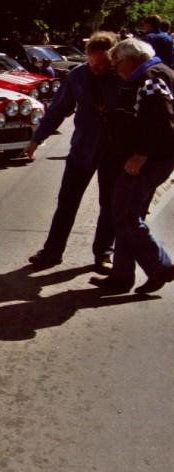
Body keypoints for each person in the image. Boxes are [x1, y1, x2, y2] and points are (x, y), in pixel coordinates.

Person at [22, 32, 121, 273]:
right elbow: (58, 109)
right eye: (92, 62)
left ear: (113, 60)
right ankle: (53, 251)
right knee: (66, 203)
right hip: (82, 150)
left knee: (110, 205)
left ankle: (104, 253)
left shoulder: (123, 77)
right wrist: (37, 139)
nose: (96, 68)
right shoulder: (77, 76)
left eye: (102, 64)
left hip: (114, 152)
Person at [90, 38, 174, 293]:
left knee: (126, 216)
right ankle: (121, 276)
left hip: (149, 160)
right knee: (126, 216)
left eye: (117, 64)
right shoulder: (157, 74)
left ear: (130, 60)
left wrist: (140, 154)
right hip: (148, 158)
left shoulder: (150, 78)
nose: (116, 70)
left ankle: (160, 265)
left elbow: (162, 122)